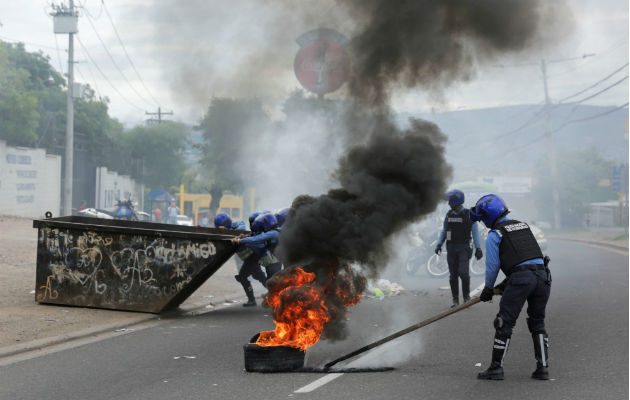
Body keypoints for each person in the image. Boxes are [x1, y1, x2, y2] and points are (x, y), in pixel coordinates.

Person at [471, 194, 551, 381]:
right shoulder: (523, 226)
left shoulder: (495, 234)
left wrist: (488, 289)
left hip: (522, 279)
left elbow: (492, 267)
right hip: (542, 277)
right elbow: (525, 260)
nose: (482, 222)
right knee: (537, 323)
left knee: (503, 322)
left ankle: (495, 368)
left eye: (482, 218)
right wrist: (504, 286)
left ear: (489, 216)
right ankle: (543, 369)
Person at [434, 189, 483, 307]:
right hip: (451, 248)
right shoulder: (449, 214)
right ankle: (455, 300)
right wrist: (439, 244)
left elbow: (475, 232)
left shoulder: (469, 214)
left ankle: (466, 298)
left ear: (456, 201)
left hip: (464, 248)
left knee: (464, 273)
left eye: (450, 201)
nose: (448, 203)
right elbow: (444, 231)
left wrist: (478, 248)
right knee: (453, 275)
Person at [216, 212, 267, 307]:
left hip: (252, 255)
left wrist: (229, 231)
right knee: (258, 276)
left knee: (243, 277)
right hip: (248, 257)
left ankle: (253, 300)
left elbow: (241, 229)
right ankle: (274, 294)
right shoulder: (222, 233)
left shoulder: (238, 225)